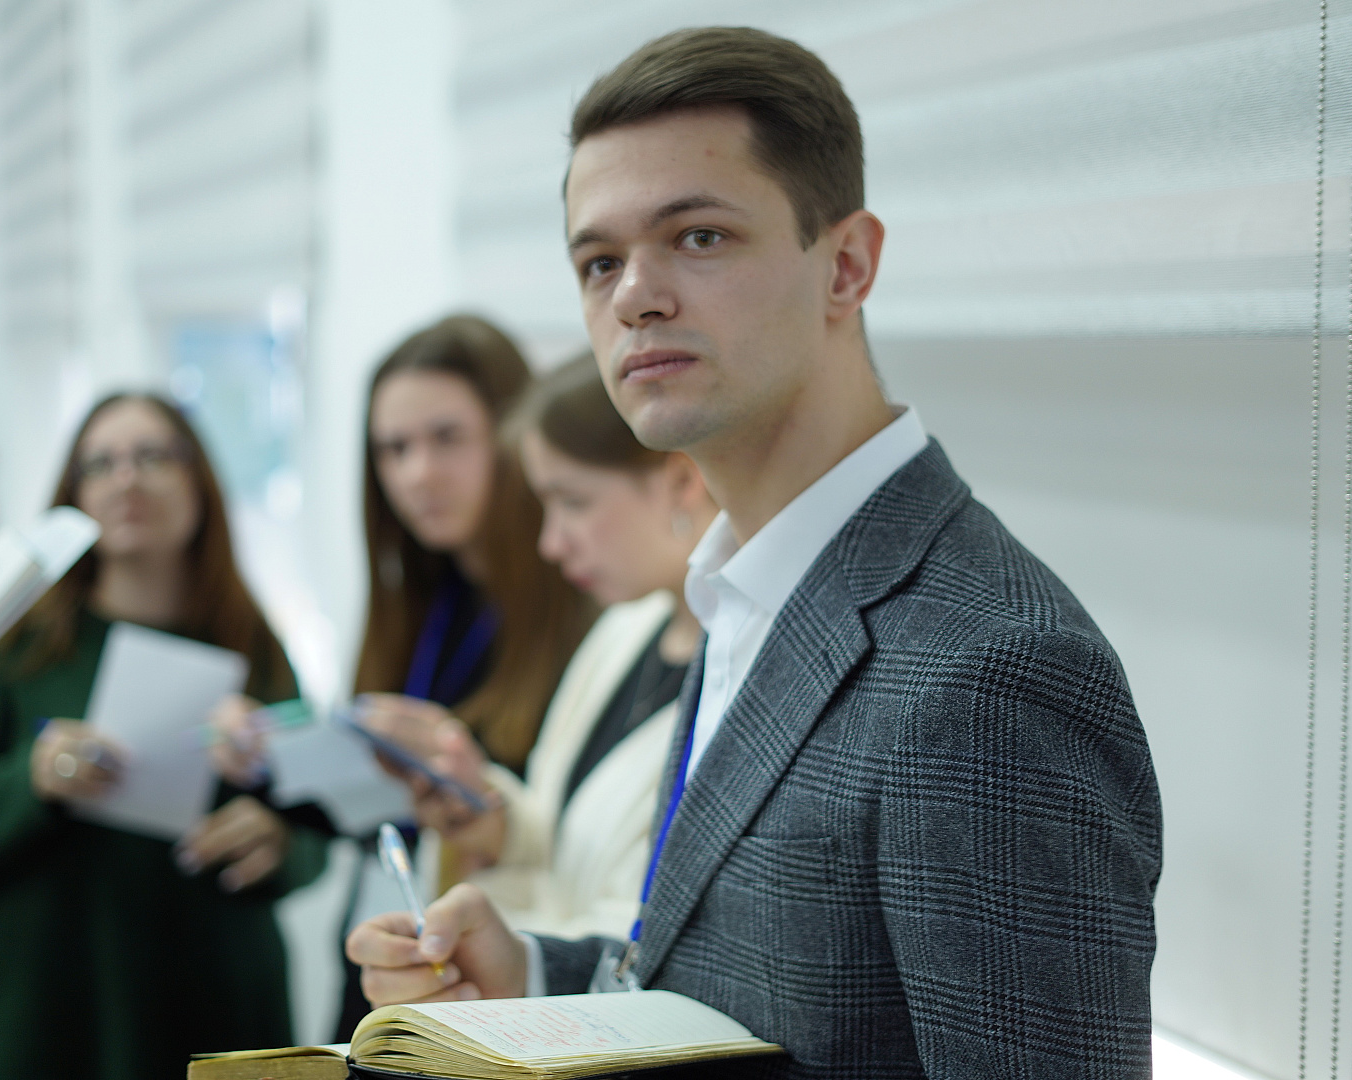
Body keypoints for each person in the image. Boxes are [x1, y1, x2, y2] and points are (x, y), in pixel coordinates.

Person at [347, 27, 1162, 1078]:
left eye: (698, 237)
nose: (634, 294)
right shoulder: (740, 589)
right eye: (598, 261)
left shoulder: (989, 671)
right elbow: (752, 999)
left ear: (849, 264)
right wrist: (537, 977)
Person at [0, 393, 329, 1080]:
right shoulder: (20, 647)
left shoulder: (252, 642)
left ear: (201, 484)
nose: (125, 479)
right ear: (72, 497)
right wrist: (31, 780)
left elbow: (319, 818)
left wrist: (281, 839)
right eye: (100, 464)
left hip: (216, 1005)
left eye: (153, 457)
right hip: (52, 1010)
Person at [361, 355, 717, 941]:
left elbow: (648, 931)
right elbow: (562, 846)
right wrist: (489, 815)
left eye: (573, 502)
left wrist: (518, 954)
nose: (550, 542)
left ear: (680, 481)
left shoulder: (751, 666)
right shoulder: (625, 631)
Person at [330, 315, 595, 1037]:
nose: (418, 473)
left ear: (514, 439)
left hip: (512, 991)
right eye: (394, 449)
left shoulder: (589, 610)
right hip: (391, 964)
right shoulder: (418, 600)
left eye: (447, 438)